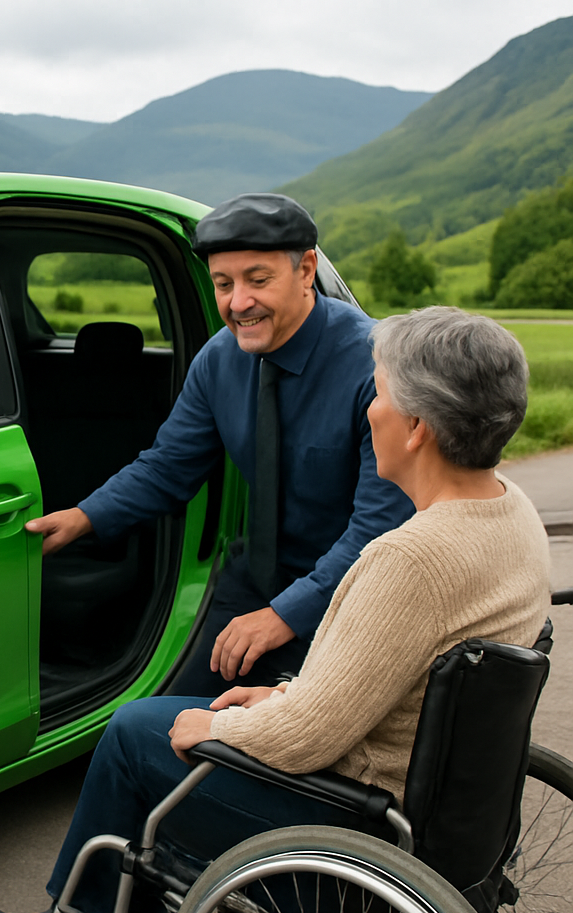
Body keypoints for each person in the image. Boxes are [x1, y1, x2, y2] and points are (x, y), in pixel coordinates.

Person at [0, 306, 552, 913]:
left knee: (136, 732)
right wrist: (281, 696)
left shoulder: (411, 558)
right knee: (205, 709)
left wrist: (219, 728)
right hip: (448, 817)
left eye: (380, 392)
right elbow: (388, 680)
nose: (369, 408)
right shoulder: (511, 511)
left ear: (417, 427)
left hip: (361, 822)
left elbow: (312, 736)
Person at [26, 193, 413, 696]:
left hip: (354, 594)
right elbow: (169, 466)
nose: (238, 303)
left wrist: (284, 616)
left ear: (305, 270)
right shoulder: (218, 359)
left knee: (288, 756)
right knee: (164, 725)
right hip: (255, 581)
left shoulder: (378, 368)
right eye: (223, 284)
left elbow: (379, 528)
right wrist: (83, 517)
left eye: (258, 280)